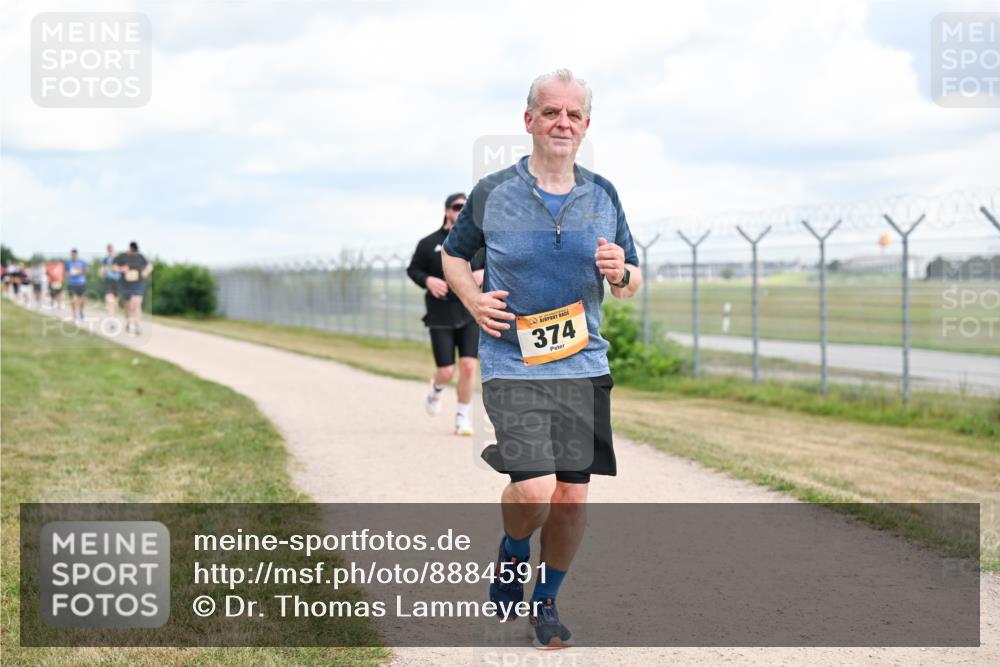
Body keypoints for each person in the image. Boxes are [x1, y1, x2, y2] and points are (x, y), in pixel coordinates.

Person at [442, 69, 641, 649]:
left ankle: (547, 601)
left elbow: (632, 279)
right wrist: (475, 300)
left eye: (573, 114)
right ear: (528, 120)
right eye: (551, 112)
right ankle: (512, 548)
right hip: (512, 362)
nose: (562, 123)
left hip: (583, 365)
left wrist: (621, 273)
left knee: (572, 496)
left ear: (585, 126)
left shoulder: (602, 195)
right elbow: (455, 259)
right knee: (534, 492)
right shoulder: (493, 192)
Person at [407, 193, 485, 436]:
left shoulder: (478, 243)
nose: (461, 210)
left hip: (471, 311)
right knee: (447, 370)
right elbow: (414, 270)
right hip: (440, 313)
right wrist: (428, 280)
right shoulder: (428, 243)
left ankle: (462, 417)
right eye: (457, 206)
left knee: (470, 366)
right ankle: (437, 389)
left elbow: (493, 265)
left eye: (466, 207)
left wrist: (483, 274)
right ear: (446, 211)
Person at [114, 241, 154, 335]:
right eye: (133, 251)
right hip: (126, 284)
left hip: (138, 283)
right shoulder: (122, 256)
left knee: (137, 303)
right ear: (130, 249)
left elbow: (150, 265)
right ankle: (128, 322)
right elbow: (114, 267)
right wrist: (121, 269)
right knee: (128, 305)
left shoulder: (140, 256)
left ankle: (137, 326)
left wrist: (146, 272)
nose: (134, 253)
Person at [64, 249, 89, 321]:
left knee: (83, 300)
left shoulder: (82, 262)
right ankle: (74, 314)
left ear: (77, 255)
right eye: (72, 255)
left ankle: (81, 311)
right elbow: (66, 273)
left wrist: (79, 271)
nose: (73, 256)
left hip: (81, 283)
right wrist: (70, 273)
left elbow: (87, 270)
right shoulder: (68, 262)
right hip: (71, 283)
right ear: (71, 255)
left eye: (75, 255)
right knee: (73, 300)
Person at [99, 244, 122, 317]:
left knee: (115, 302)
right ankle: (111, 317)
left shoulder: (118, 259)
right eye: (108, 250)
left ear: (113, 250)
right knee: (109, 300)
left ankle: (115, 316)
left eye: (111, 250)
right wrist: (102, 275)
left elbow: (121, 269)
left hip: (117, 282)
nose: (110, 251)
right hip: (108, 281)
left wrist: (111, 268)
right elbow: (101, 271)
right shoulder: (105, 260)